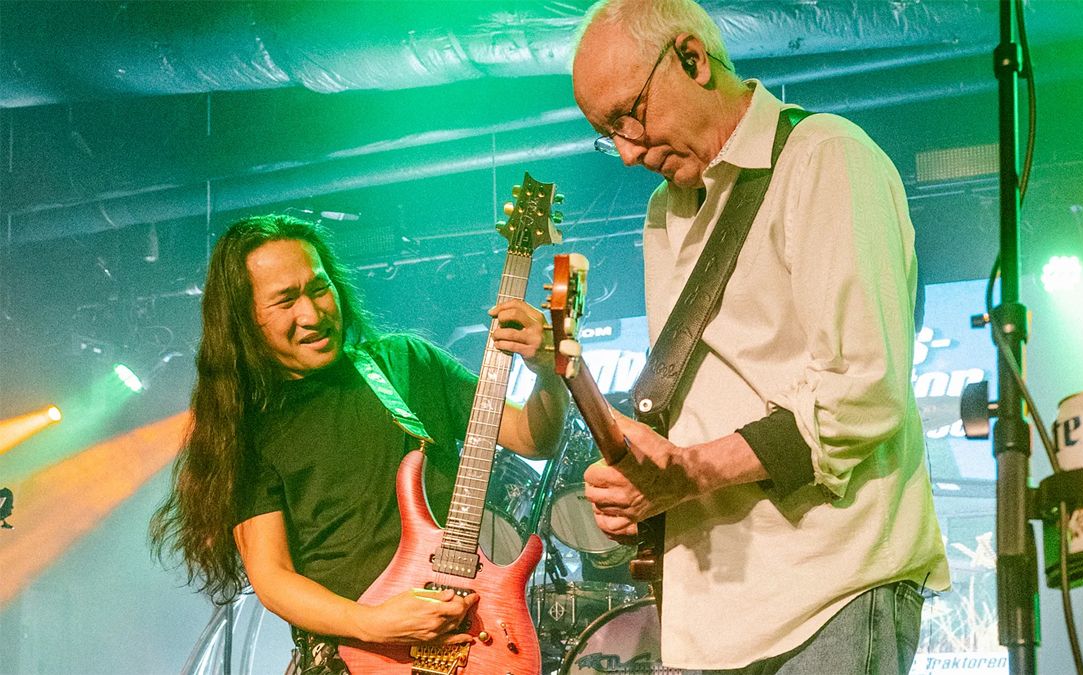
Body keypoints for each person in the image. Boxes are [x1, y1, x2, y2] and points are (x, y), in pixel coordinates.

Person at [571, 1, 950, 673]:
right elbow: (712, 403)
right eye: (607, 133)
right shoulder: (664, 212)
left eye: (629, 114)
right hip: (705, 623)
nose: (626, 152)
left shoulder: (825, 156)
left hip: (829, 594)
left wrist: (687, 473)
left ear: (691, 57)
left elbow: (863, 390)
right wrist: (645, 486)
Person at [150, 214, 567, 673]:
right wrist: (374, 624)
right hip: (352, 658)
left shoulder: (406, 362)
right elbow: (272, 578)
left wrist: (547, 369)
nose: (311, 313)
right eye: (285, 301)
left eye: (319, 288)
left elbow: (533, 438)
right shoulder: (248, 429)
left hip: (470, 644)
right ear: (245, 321)